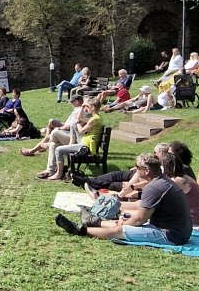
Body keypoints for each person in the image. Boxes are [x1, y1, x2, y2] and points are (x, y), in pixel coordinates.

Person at [55, 150, 191, 246]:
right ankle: (93, 221)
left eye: (137, 167)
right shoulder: (161, 181)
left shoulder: (155, 187)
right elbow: (141, 212)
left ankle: (80, 230)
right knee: (124, 221)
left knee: (121, 230)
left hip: (171, 236)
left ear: (147, 171)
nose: (135, 169)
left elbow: (139, 219)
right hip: (173, 229)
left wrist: (124, 223)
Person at [42, 102, 99, 181]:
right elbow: (78, 121)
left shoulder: (93, 118)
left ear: (92, 107)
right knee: (53, 144)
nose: (85, 107)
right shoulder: (91, 117)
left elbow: (81, 131)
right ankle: (50, 170)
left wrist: (77, 122)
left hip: (85, 145)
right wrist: (82, 108)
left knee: (57, 145)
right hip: (80, 141)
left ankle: (59, 173)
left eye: (87, 106)